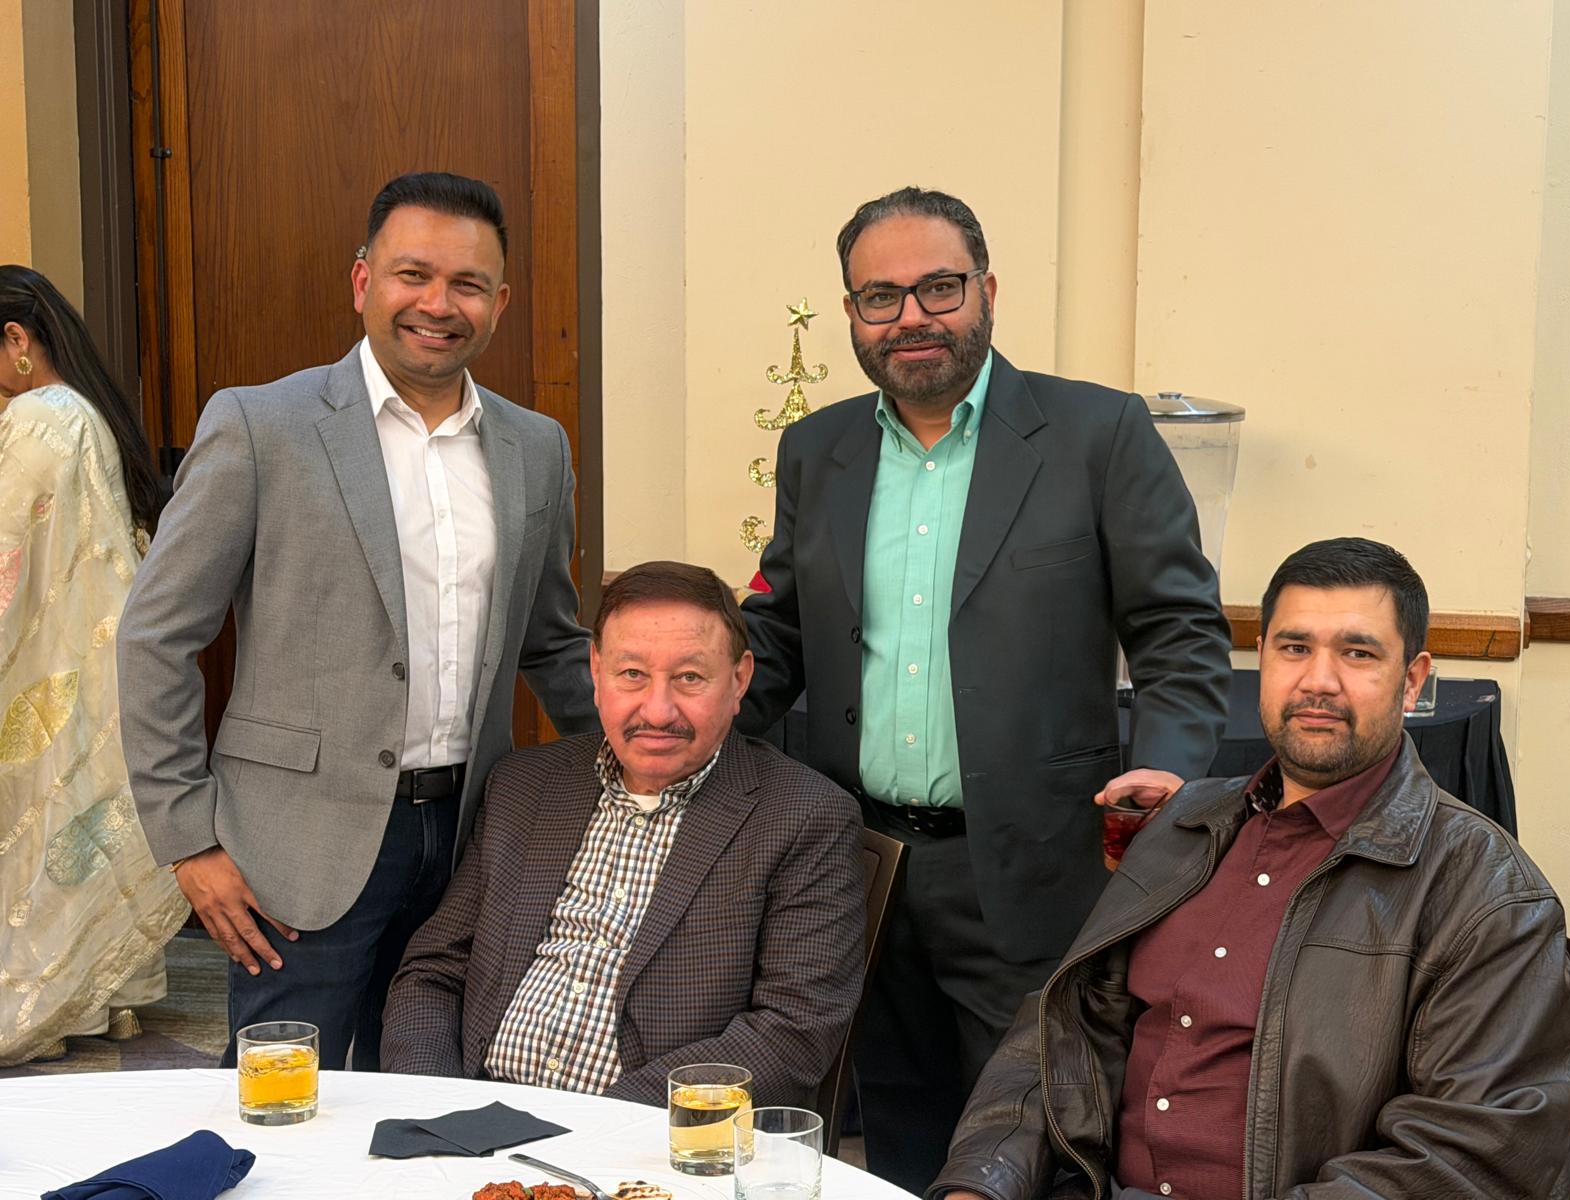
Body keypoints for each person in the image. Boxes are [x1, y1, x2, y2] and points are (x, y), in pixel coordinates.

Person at [736, 186, 1233, 1188]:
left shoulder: (1097, 434)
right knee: (897, 1136)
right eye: (880, 297)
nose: (911, 317)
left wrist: (1166, 775)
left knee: (1032, 1143)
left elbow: (1179, 631)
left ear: (988, 292)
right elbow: (777, 636)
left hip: (1031, 867)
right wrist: (678, 726)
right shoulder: (817, 450)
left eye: (938, 287)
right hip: (860, 865)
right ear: (851, 314)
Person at [934, 537, 1570, 1200]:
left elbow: (1475, 1161)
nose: (1318, 681)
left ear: (1412, 680)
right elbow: (1060, 1033)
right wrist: (980, 1184)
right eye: (1295, 647)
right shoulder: (1184, 827)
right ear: (1262, 659)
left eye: (1358, 653)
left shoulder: (1486, 894)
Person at [117, 172, 596, 1070]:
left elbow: (552, 642)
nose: (438, 304)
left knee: (425, 1103)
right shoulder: (261, 425)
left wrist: (654, 764)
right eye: (414, 274)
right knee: (278, 1110)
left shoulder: (536, 446)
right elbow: (156, 635)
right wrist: (188, 840)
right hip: (295, 849)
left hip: (470, 843)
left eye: (467, 284)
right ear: (363, 281)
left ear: (499, 303)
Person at [381, 561, 865, 1105]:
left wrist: (604, 1128)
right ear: (596, 672)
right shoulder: (524, 785)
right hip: (471, 1118)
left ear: (739, 680)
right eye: (632, 674)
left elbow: (792, 1033)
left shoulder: (804, 818)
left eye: (689, 678)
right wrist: (438, 1105)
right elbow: (434, 972)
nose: (657, 711)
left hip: (646, 1135)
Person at [0, 265, 188, 1067]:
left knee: (45, 812)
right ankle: (108, 998)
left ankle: (47, 1002)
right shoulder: (91, 413)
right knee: (83, 812)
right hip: (101, 660)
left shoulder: (36, 418)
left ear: (15, 339)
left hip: (50, 659)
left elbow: (6, 553)